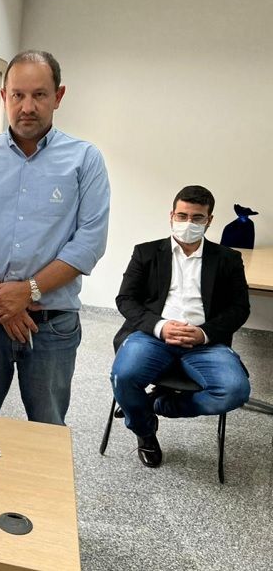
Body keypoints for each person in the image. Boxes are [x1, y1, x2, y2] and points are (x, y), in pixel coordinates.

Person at [0, 49, 110, 425]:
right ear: (4, 96)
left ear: (58, 96)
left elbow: (89, 241)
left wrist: (28, 291)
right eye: (18, 95)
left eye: (39, 95)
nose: (27, 107)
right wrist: (4, 303)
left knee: (47, 427)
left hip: (51, 324)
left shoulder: (85, 159)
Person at [111, 185, 251, 468]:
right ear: (171, 215)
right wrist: (160, 327)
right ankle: (145, 431)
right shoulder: (146, 252)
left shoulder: (228, 259)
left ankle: (160, 404)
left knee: (235, 391)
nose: (188, 223)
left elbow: (239, 308)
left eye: (197, 217)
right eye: (182, 215)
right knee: (123, 376)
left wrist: (204, 333)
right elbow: (125, 299)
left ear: (209, 220)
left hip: (205, 342)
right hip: (153, 336)